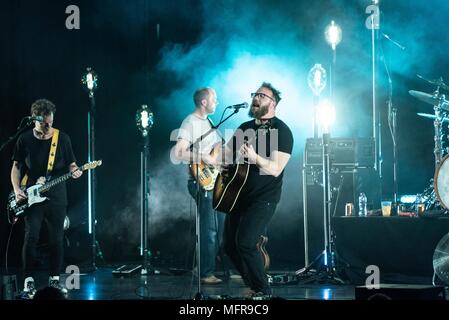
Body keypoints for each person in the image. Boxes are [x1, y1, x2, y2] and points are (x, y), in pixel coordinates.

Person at [221, 82, 293, 298]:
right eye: (255, 94)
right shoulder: (244, 127)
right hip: (238, 195)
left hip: (264, 198)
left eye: (262, 95)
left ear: (273, 103)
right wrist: (218, 162)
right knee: (228, 247)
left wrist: (255, 158)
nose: (256, 98)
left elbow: (276, 168)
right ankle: (254, 285)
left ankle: (264, 290)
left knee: (245, 242)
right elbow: (225, 156)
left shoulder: (282, 131)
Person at [11, 99, 82, 299]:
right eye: (45, 123)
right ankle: (28, 282)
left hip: (57, 194)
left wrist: (75, 171)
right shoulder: (24, 139)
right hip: (32, 195)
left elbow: (72, 163)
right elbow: (16, 167)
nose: (49, 126)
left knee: (56, 239)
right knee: (31, 237)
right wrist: (17, 190)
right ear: (35, 120)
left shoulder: (63, 138)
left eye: (51, 122)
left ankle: (54, 279)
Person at [174, 87, 225, 284]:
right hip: (201, 181)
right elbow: (179, 152)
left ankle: (202, 267)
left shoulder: (209, 123)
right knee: (209, 229)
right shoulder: (190, 122)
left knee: (220, 228)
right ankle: (206, 273)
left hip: (215, 180)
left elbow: (216, 152)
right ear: (204, 102)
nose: (217, 102)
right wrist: (203, 157)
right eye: (214, 98)